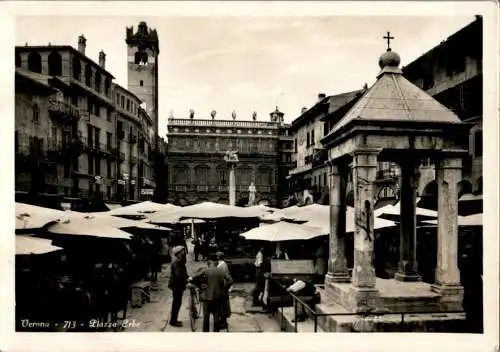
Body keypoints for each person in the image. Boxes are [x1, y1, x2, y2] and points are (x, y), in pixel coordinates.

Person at [191, 254, 230, 332]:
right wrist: (223, 288)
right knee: (216, 317)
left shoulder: (204, 271)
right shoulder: (221, 271)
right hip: (218, 297)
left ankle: (206, 335)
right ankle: (215, 333)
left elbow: (192, 278)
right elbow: (230, 280)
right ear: (216, 262)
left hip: (206, 298)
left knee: (206, 318)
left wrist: (199, 287)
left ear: (209, 262)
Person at [168, 246, 189, 327]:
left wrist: (187, 277)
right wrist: (185, 280)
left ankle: (174, 320)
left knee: (177, 303)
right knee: (176, 303)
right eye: (183, 251)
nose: (184, 252)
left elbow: (183, 272)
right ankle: (173, 321)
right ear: (179, 252)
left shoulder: (179, 261)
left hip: (178, 285)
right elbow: (178, 275)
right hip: (177, 286)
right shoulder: (176, 262)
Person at [216, 251, 233, 330]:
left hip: (223, 286)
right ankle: (222, 321)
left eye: (217, 256)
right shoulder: (223, 264)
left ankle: (223, 322)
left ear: (219, 257)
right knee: (224, 305)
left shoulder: (221, 265)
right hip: (224, 286)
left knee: (222, 305)